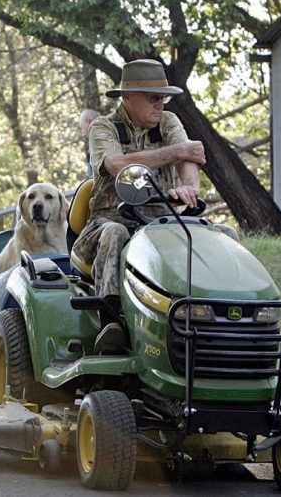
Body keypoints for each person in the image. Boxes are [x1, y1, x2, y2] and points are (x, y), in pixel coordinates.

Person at [71, 59, 205, 350]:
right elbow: (117, 164)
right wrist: (180, 150)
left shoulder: (168, 122)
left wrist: (189, 187)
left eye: (163, 98)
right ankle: (111, 322)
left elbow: (189, 159)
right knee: (115, 234)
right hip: (107, 223)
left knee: (213, 235)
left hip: (161, 225)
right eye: (153, 98)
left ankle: (211, 320)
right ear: (127, 98)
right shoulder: (104, 128)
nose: (160, 105)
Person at [79, 109, 101, 177]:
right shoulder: (93, 143)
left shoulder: (102, 141)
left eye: (82, 127)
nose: (83, 132)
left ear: (89, 121)